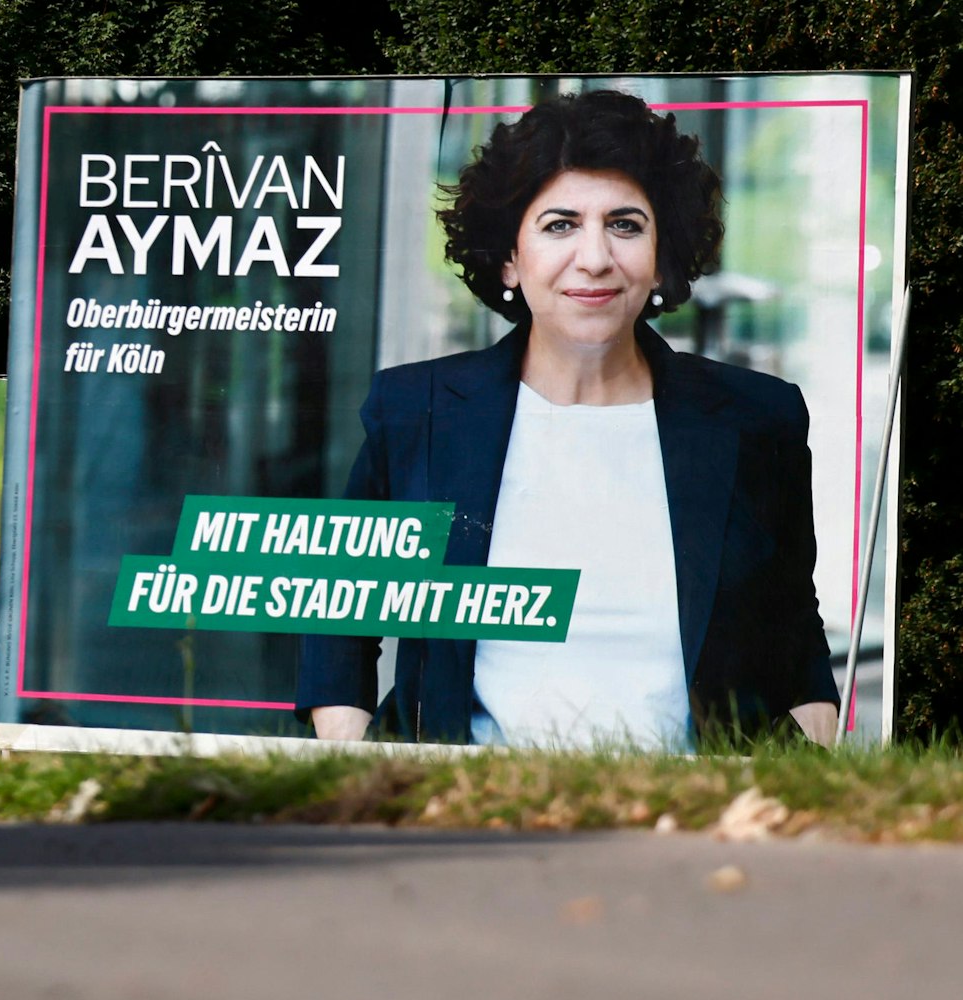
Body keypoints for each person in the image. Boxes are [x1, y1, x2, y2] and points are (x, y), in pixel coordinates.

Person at [298, 89, 838, 750]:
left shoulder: (757, 419)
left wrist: (812, 739)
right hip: (462, 811)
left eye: (624, 224)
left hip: (690, 813)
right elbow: (342, 608)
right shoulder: (419, 411)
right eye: (559, 225)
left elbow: (791, 618)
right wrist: (353, 760)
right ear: (507, 257)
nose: (593, 258)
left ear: (661, 253)